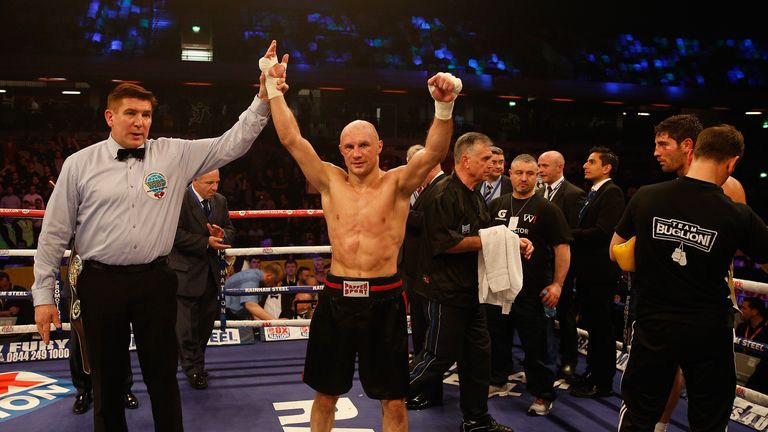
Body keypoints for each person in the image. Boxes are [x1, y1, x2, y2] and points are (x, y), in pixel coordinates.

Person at [31, 42, 281, 431]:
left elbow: (232, 143)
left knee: (163, 377)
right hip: (100, 281)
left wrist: (263, 98)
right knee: (107, 382)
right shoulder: (79, 165)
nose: (140, 122)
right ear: (109, 116)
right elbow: (53, 234)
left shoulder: (173, 154)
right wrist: (44, 295)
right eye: (130, 113)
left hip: (156, 280)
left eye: (146, 115)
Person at [260, 39, 460, 432]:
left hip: (384, 300)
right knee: (325, 395)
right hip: (336, 298)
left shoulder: (399, 184)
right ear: (340, 149)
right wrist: (270, 85)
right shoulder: (329, 181)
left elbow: (435, 152)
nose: (356, 152)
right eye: (349, 146)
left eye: (364, 145)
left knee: (394, 401)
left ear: (380, 147)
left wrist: (444, 105)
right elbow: (291, 140)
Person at [612, 124, 768, 431]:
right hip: (708, 328)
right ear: (732, 162)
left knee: (639, 413)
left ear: (693, 151)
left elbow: (615, 250)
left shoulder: (646, 196)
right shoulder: (735, 212)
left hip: (654, 321)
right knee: (708, 417)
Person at [408, 132, 532, 432]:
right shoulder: (443, 194)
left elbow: (489, 234)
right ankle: (389, 392)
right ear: (466, 160)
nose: (492, 163)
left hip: (471, 292)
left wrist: (515, 241)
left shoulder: (475, 196)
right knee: (437, 357)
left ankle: (476, 420)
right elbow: (445, 243)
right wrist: (492, 241)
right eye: (486, 158)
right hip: (443, 291)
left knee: (478, 358)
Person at [652, 113, 747, 432]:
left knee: (708, 389)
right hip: (668, 300)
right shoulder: (665, 191)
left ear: (688, 146)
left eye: (663, 144)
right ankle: (659, 426)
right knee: (662, 374)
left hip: (709, 301)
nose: (656, 152)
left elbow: (735, 242)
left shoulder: (729, 186)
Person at [486, 154, 572, 416]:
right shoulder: (497, 204)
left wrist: (557, 285)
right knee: (496, 338)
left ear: (537, 176)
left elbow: (562, 248)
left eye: (530, 174)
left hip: (534, 290)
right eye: (519, 173)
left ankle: (543, 394)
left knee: (537, 345)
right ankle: (497, 378)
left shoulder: (547, 208)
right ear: (509, 173)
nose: (524, 178)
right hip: (500, 288)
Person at [170, 169, 235, 390]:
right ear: (195, 179)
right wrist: (206, 241)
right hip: (185, 273)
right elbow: (173, 234)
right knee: (186, 328)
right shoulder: (178, 199)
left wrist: (221, 235)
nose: (214, 187)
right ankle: (194, 369)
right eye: (209, 182)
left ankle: (196, 364)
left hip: (211, 274)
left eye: (217, 182)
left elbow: (230, 229)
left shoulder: (220, 201)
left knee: (204, 327)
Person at [569, 146, 625, 398]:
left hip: (601, 273)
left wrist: (567, 234)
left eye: (591, 161)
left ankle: (602, 381)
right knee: (593, 326)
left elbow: (604, 231)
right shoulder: (594, 193)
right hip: (589, 271)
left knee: (601, 329)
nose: (585, 165)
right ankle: (592, 372)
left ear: (607, 167)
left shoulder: (612, 192)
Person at [399, 144, 447, 409]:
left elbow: (431, 226)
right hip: (413, 272)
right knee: (420, 334)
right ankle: (423, 388)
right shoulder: (423, 189)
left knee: (429, 337)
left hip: (428, 276)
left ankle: (429, 392)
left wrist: (401, 213)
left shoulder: (441, 189)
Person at [537, 150, 586, 378]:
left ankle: (569, 361)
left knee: (564, 314)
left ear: (560, 167)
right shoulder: (537, 192)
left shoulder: (573, 194)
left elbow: (573, 235)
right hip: (539, 265)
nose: (540, 170)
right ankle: (544, 358)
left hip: (561, 265)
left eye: (545, 166)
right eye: (539, 165)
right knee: (541, 316)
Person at [737, 298, 768, 394]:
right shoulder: (742, 327)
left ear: (754, 312)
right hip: (738, 369)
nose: (740, 311)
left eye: (744, 308)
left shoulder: (767, 330)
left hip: (760, 378)